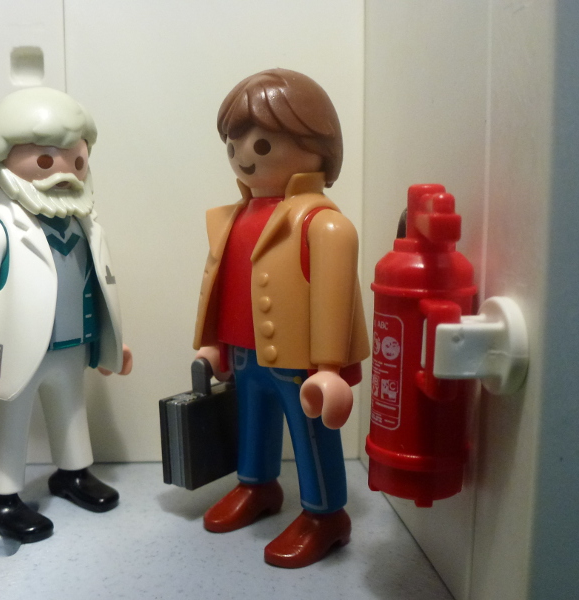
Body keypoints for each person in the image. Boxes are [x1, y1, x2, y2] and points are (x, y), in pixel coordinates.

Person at [0, 87, 132, 543]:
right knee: (9, 421)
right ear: (0, 160)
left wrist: (111, 342)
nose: (65, 173)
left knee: (72, 411)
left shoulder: (87, 226)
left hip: (72, 347)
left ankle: (73, 473)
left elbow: (100, 286)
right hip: (13, 353)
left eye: (77, 161)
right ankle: (0, 497)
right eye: (46, 160)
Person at [192, 69, 369, 568]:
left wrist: (330, 368)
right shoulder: (233, 217)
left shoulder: (322, 223)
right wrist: (211, 342)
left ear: (318, 146)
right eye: (233, 145)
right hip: (243, 354)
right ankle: (257, 486)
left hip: (299, 362)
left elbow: (334, 300)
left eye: (263, 145)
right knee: (252, 423)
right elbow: (218, 284)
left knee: (311, 435)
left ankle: (325, 514)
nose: (243, 156)